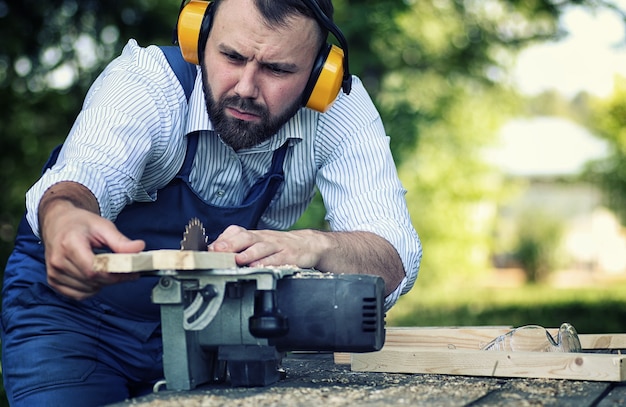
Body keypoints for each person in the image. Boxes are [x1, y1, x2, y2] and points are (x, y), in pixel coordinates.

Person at [1, 0, 422, 405]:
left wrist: (316, 244)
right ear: (197, 38)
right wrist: (64, 216)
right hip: (70, 319)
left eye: (277, 69)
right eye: (232, 57)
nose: (245, 89)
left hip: (207, 328)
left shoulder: (336, 109)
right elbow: (83, 175)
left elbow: (392, 258)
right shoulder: (148, 83)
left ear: (319, 74)